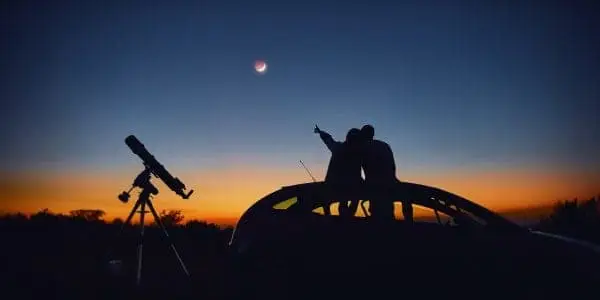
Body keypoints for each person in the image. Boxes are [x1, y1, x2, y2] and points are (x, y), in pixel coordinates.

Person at [359, 124, 413, 222]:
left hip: (373, 184)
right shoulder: (384, 145)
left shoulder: (362, 147)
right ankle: (409, 225)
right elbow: (392, 166)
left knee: (377, 213)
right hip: (391, 181)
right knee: (389, 209)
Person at [314, 125, 363, 217]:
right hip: (340, 185)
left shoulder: (338, 148)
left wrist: (320, 132)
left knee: (344, 203)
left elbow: (328, 139)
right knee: (348, 203)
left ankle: (338, 218)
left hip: (335, 185)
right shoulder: (357, 154)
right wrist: (321, 132)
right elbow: (328, 139)